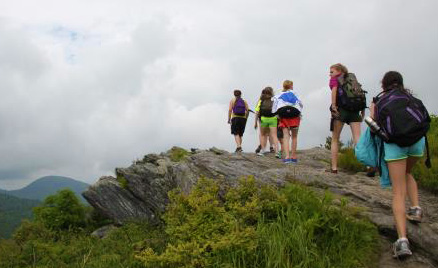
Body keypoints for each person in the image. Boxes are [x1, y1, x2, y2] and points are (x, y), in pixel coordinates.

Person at [370, 71, 426, 258]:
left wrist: (373, 108)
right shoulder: (410, 98)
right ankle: (416, 209)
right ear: (401, 83)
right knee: (408, 173)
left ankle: (402, 242)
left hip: (395, 145)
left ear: (383, 85)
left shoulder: (381, 101)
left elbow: (374, 124)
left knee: (398, 192)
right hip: (417, 142)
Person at [327, 63, 365, 173]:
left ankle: (334, 168)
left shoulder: (335, 79)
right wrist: (362, 110)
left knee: (335, 139)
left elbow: (334, 91)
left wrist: (334, 105)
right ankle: (368, 166)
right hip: (355, 110)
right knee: (358, 138)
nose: (330, 74)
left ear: (339, 71)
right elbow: (360, 94)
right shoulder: (352, 79)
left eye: (332, 71)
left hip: (341, 110)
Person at [272, 80, 303, 163]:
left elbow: (274, 106)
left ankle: (287, 157)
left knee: (286, 137)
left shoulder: (279, 94)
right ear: (291, 86)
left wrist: (277, 114)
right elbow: (301, 104)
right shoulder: (295, 93)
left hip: (284, 116)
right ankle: (293, 157)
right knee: (294, 137)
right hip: (295, 116)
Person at [254, 87, 278, 156]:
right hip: (273, 118)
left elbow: (257, 112)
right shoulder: (275, 99)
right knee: (274, 135)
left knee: (262, 135)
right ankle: (276, 152)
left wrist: (255, 122)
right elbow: (278, 110)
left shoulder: (261, 100)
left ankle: (263, 150)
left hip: (263, 119)